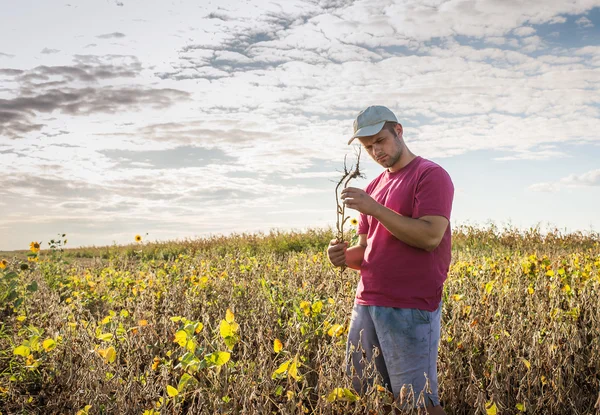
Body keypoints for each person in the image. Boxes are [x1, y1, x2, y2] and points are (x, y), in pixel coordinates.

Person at [327, 105, 454, 414]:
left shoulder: (430, 174)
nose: (376, 151)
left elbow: (429, 237)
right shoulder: (374, 187)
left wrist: (376, 209)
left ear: (398, 131)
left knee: (418, 401)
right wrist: (343, 257)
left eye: (380, 141)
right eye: (368, 147)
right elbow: (367, 250)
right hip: (367, 303)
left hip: (409, 306)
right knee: (370, 395)